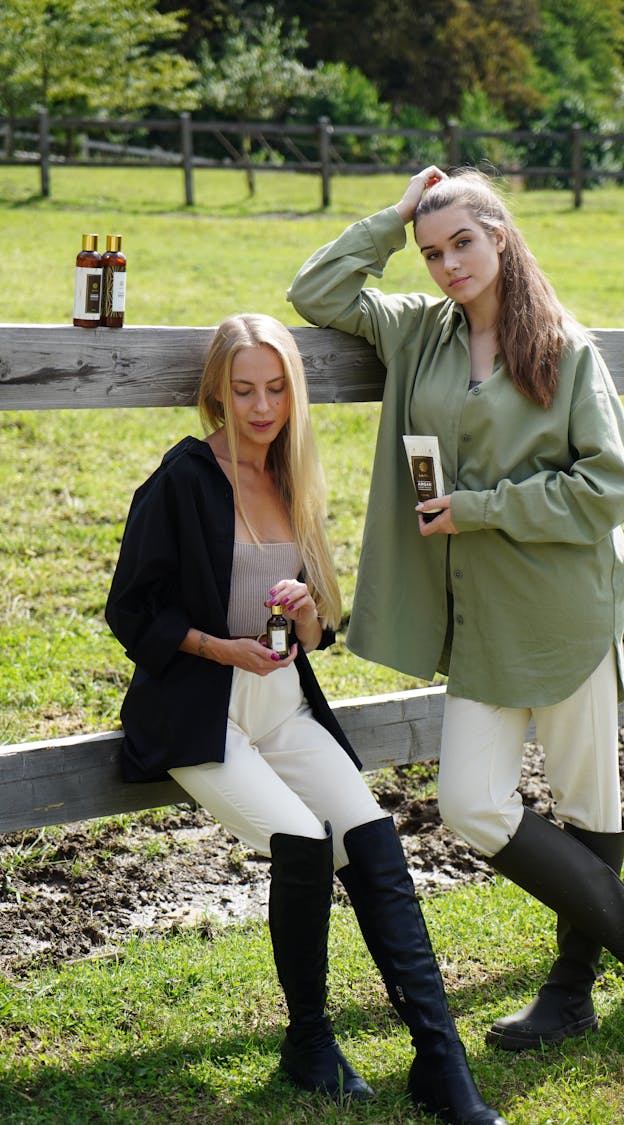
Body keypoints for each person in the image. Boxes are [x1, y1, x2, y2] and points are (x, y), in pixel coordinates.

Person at [287, 168, 624, 1051]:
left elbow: (612, 488)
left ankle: (570, 992)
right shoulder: (414, 331)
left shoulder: (565, 348)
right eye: (432, 251)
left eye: (462, 244)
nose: (446, 265)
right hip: (476, 620)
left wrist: (483, 507)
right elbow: (315, 290)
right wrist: (398, 213)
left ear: (502, 237)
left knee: (591, 799)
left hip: (564, 610)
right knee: (470, 802)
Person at [106, 313, 505, 1125]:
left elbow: (320, 628)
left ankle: (442, 1062)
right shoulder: (181, 478)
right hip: (200, 713)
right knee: (302, 839)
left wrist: (304, 608)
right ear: (215, 393)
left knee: (372, 832)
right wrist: (223, 648)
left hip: (283, 707)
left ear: (294, 390)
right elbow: (130, 611)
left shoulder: (293, 475)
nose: (261, 406)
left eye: (277, 387)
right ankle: (310, 1040)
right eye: (243, 389)